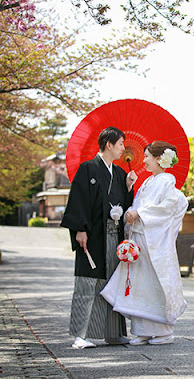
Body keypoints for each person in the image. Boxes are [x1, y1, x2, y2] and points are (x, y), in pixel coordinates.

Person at [101, 141, 188, 345]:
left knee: (154, 283)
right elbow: (139, 205)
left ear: (159, 159)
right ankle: (142, 330)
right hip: (140, 237)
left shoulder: (167, 180)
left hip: (154, 241)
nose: (145, 160)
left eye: (148, 156)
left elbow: (167, 207)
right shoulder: (148, 181)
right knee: (139, 284)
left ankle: (164, 331)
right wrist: (130, 211)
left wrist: (139, 213)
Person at [61, 127, 137, 349]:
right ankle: (80, 334)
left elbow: (125, 202)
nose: (124, 148)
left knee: (113, 282)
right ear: (109, 144)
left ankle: (113, 333)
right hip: (93, 234)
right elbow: (79, 200)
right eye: (121, 143)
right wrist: (80, 229)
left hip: (114, 235)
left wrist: (130, 187)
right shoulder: (88, 169)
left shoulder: (121, 174)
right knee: (87, 282)